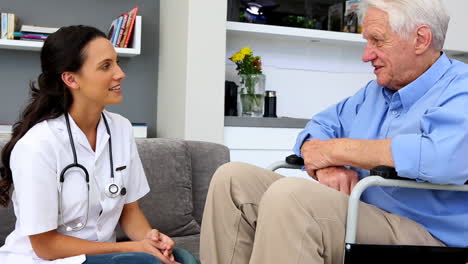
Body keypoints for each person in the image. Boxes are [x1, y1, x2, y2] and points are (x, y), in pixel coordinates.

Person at [200, 0, 468, 263]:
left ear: (420, 39)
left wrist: (336, 151)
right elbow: (318, 128)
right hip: (361, 212)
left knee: (292, 198)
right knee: (232, 180)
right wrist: (326, 167)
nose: (366, 55)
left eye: (377, 40)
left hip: (426, 233)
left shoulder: (460, 88)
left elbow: (441, 156)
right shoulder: (374, 93)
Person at [0, 25, 199, 264]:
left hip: (104, 258)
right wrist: (134, 249)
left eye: (116, 62)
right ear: (71, 79)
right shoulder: (38, 145)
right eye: (106, 66)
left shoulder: (121, 129)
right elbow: (46, 246)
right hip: (47, 261)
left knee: (183, 258)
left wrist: (150, 240)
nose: (120, 73)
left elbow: (129, 210)